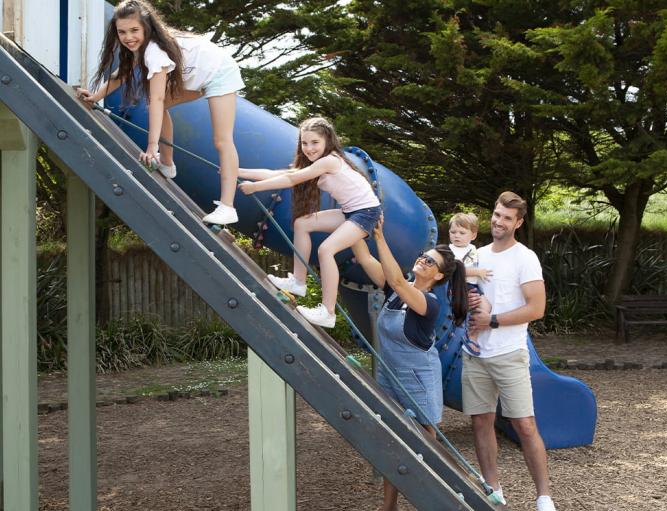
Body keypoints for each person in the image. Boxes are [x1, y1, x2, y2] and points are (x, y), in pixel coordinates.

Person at [76, 0, 244, 225]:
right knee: (159, 105)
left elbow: (156, 98)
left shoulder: (155, 51)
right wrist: (95, 97)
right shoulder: (141, 47)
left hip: (219, 73)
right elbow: (122, 73)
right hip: (199, 75)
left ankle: (227, 207)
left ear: (146, 26)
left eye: (134, 30)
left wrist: (151, 148)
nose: (128, 37)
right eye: (122, 32)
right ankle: (168, 164)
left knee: (222, 140)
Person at [352, 218, 468, 511]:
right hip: (391, 375)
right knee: (393, 443)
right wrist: (354, 219)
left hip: (418, 378)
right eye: (424, 255)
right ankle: (388, 507)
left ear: (439, 276)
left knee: (426, 447)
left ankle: (453, 496)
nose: (423, 260)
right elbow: (364, 257)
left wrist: (379, 235)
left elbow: (399, 282)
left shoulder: (429, 303)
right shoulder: (394, 295)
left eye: (431, 261)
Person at [237, 117, 382, 328]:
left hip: (366, 212)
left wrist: (256, 188)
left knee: (326, 250)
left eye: (315, 142)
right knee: (302, 224)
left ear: (327, 141)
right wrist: (238, 172)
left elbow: (290, 181)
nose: (309, 148)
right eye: (304, 143)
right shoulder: (315, 164)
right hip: (351, 212)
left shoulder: (329, 161)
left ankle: (328, 312)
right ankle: (298, 281)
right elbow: (280, 174)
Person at [463, 192, 555, 511]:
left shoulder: (525, 258)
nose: (498, 221)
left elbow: (537, 308)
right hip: (474, 354)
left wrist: (493, 321)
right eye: (496, 214)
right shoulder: (476, 256)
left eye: (506, 217)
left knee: (524, 424)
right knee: (480, 422)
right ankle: (494, 489)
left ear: (518, 223)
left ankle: (544, 497)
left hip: (509, 353)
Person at [447, 212, 492, 355]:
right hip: (456, 285)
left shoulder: (472, 250)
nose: (456, 235)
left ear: (473, 236)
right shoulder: (448, 250)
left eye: (462, 232)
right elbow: (454, 270)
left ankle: (474, 334)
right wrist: (477, 272)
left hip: (471, 286)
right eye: (453, 232)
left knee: (486, 306)